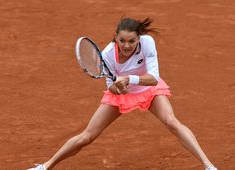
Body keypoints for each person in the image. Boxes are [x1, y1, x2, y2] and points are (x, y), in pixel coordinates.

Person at [28, 17, 217, 170]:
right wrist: (118, 87)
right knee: (87, 136)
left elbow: (153, 78)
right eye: (122, 40)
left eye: (132, 41)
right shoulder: (108, 55)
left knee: (171, 121)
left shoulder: (148, 43)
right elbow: (111, 85)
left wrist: (129, 79)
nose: (127, 45)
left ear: (139, 38)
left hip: (149, 89)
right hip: (122, 95)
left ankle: (208, 166)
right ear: (116, 38)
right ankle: (46, 166)